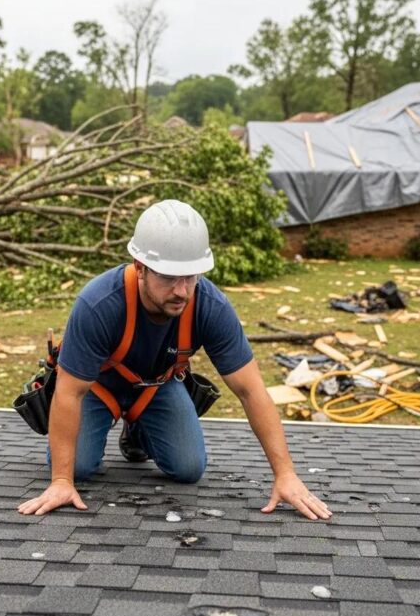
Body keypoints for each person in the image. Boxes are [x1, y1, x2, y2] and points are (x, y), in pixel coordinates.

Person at [18, 199, 332, 521]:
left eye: (190, 276)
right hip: (98, 387)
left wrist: (286, 474)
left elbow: (252, 391)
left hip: (157, 387)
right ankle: (102, 439)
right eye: (169, 277)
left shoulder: (210, 307)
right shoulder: (99, 303)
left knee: (188, 469)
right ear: (140, 267)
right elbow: (69, 393)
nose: (182, 290)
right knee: (79, 467)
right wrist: (61, 481)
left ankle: (138, 430)